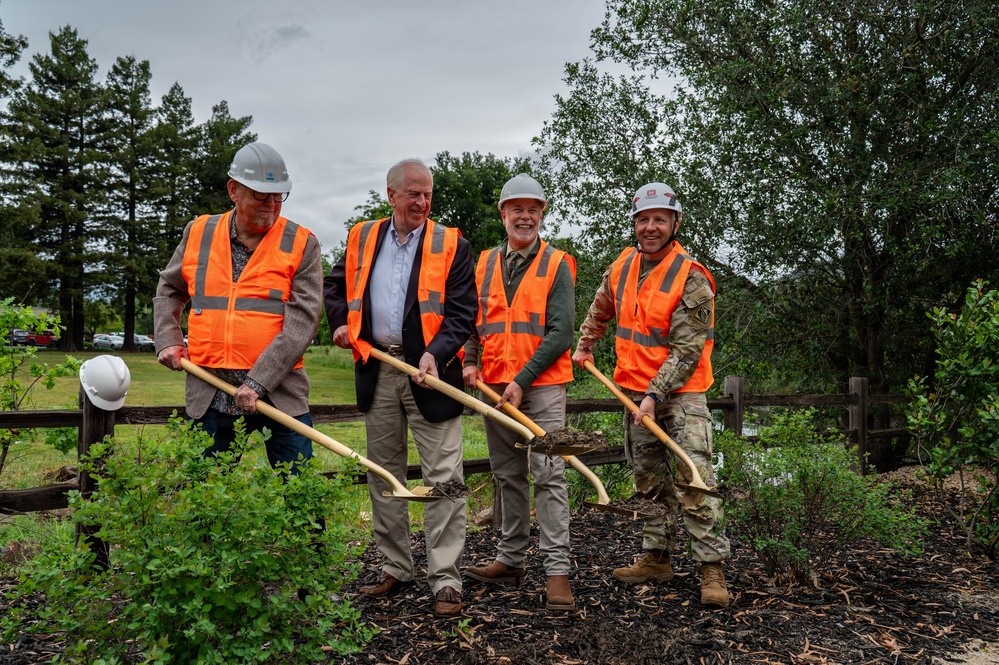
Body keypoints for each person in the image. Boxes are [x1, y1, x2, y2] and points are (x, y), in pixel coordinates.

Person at [323, 159, 476, 618]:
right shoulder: (361, 236)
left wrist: (437, 352)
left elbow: (463, 312)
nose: (422, 203)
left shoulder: (453, 244)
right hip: (378, 367)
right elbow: (334, 287)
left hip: (431, 372)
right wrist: (339, 324)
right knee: (383, 475)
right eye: (413, 194)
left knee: (444, 478)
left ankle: (446, 579)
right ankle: (396, 566)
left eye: (428, 194)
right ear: (390, 195)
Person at [571, 182, 731, 608]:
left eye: (659, 219)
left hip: (681, 395)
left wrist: (654, 396)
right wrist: (586, 342)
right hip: (632, 392)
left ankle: (711, 569)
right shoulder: (623, 264)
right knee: (648, 482)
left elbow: (687, 351)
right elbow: (601, 305)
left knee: (694, 478)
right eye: (643, 219)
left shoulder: (692, 276)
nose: (650, 227)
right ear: (634, 225)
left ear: (674, 223)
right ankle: (656, 558)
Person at [153, 141, 323, 476]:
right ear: (234, 190)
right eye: (262, 195)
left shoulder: (302, 243)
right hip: (210, 389)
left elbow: (302, 323)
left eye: (279, 196)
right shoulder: (199, 232)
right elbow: (170, 289)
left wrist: (258, 382)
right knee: (204, 494)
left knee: (301, 492)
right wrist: (168, 338)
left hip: (279, 392)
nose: (272, 205)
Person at [461, 174, 577, 611]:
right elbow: (475, 323)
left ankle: (557, 573)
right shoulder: (486, 262)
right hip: (494, 385)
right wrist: (470, 360)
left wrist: (522, 379)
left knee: (549, 474)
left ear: (542, 214)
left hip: (540, 387)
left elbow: (561, 332)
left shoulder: (557, 263)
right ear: (503, 213)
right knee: (507, 474)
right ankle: (510, 559)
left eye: (533, 209)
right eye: (517, 208)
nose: (524, 216)